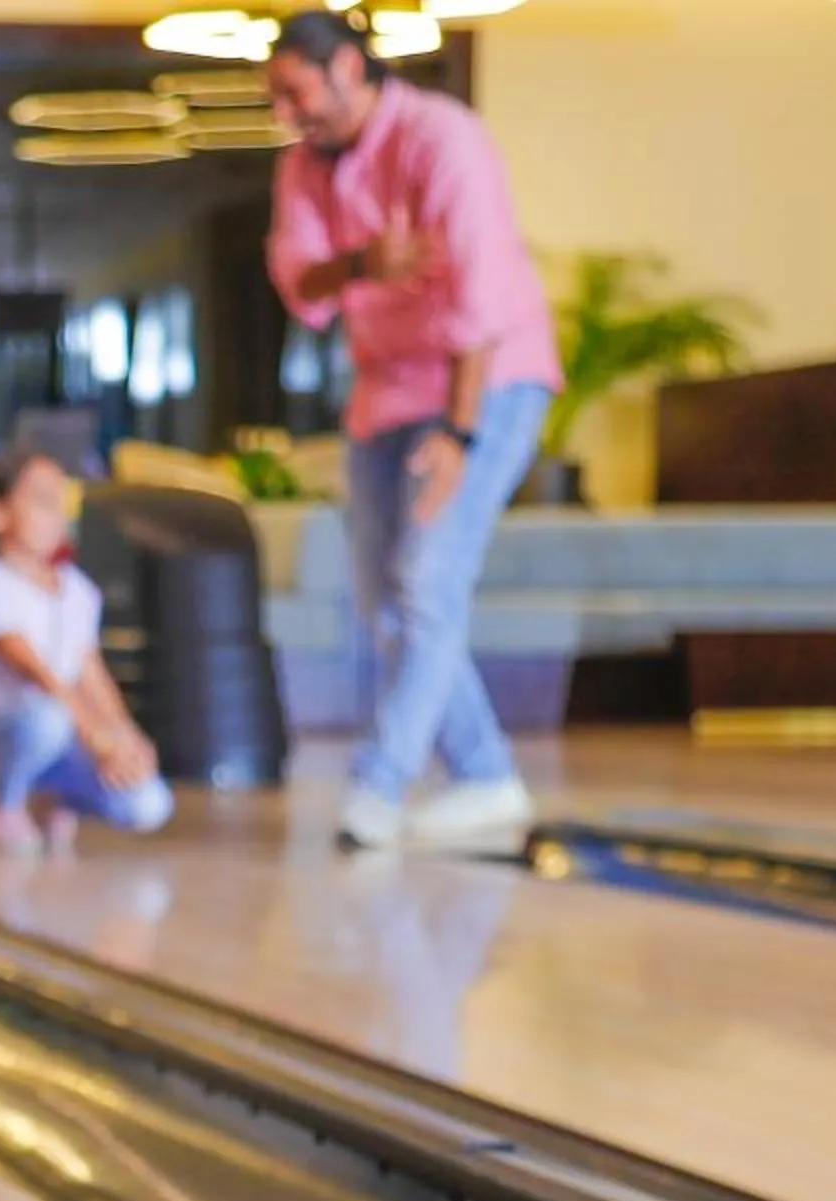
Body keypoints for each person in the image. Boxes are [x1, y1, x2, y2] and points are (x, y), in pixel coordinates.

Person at [264, 9, 561, 852]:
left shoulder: (444, 141)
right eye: (277, 99)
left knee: (428, 584)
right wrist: (365, 264)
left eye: (296, 93)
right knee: (382, 605)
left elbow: (480, 299)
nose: (288, 114)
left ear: (350, 69)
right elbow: (301, 284)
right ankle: (486, 776)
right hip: (387, 391)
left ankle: (379, 786)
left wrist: (460, 438)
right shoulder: (302, 168)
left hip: (487, 383)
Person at [0, 449, 174, 855]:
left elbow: (91, 672)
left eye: (61, 502)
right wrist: (99, 740)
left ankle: (53, 799)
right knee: (46, 720)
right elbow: (42, 676)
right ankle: (2, 802)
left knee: (148, 804)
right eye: (42, 501)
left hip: (63, 731)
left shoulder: (78, 590)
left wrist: (126, 737)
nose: (57, 515)